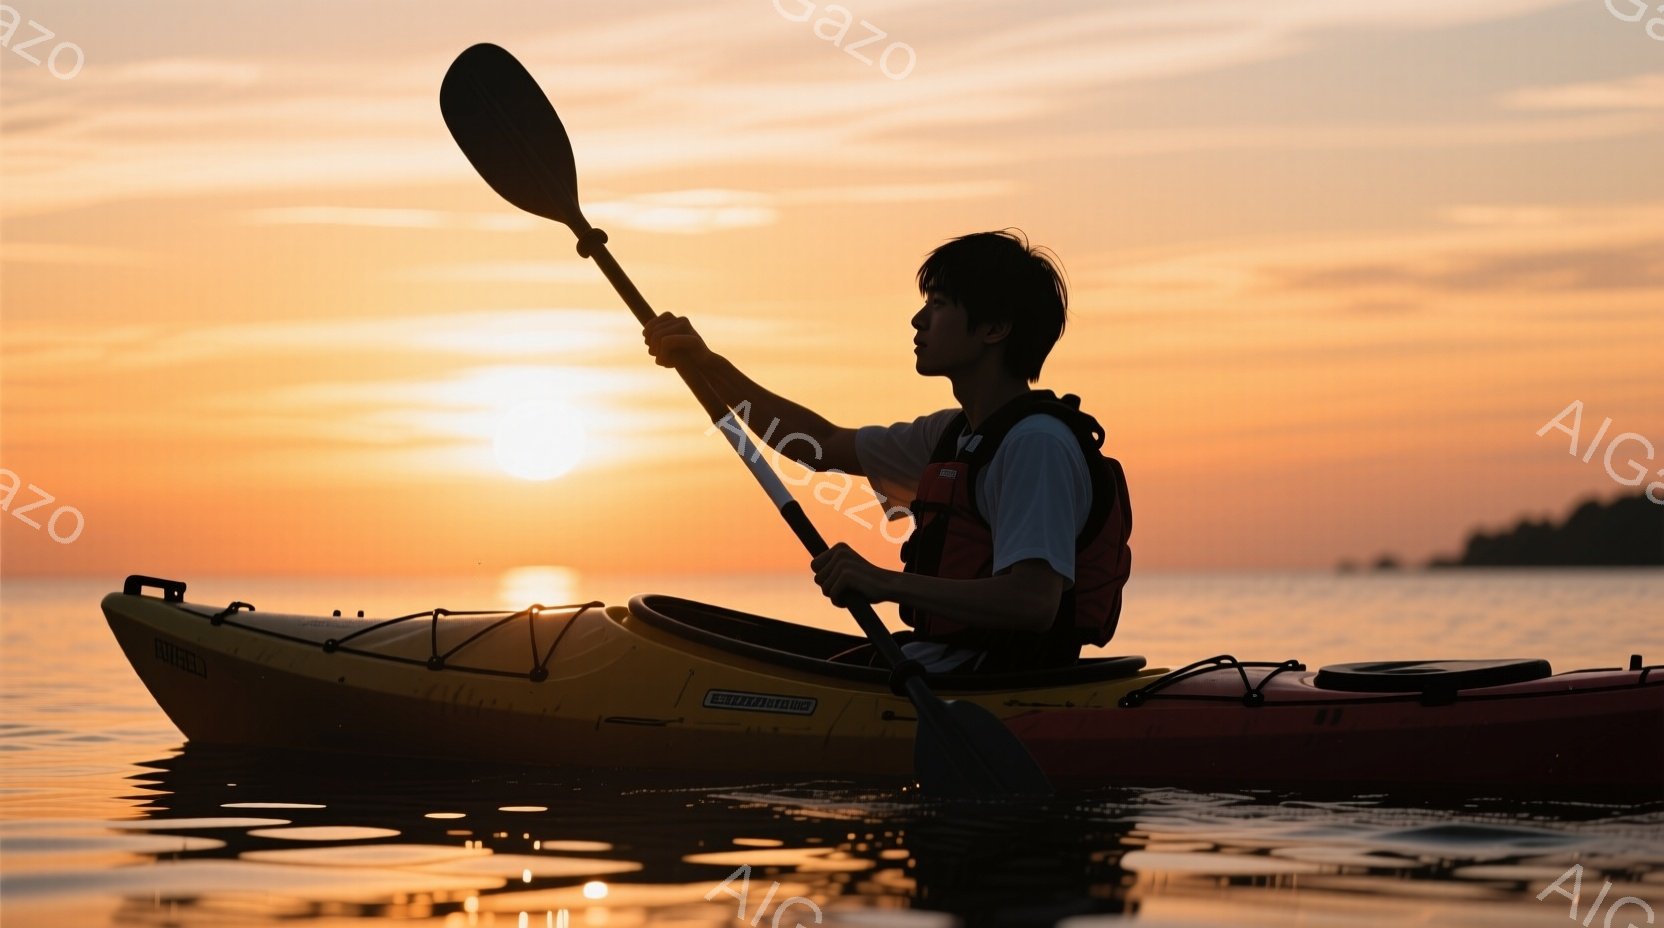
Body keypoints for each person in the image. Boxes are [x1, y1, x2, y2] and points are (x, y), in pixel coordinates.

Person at [643, 229, 1131, 673]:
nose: (918, 318)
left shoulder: (1035, 445)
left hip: (997, 680)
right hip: (943, 663)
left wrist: (885, 583)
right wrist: (709, 366)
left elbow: (1033, 602)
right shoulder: (951, 434)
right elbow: (821, 446)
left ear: (994, 328)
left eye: (938, 304)